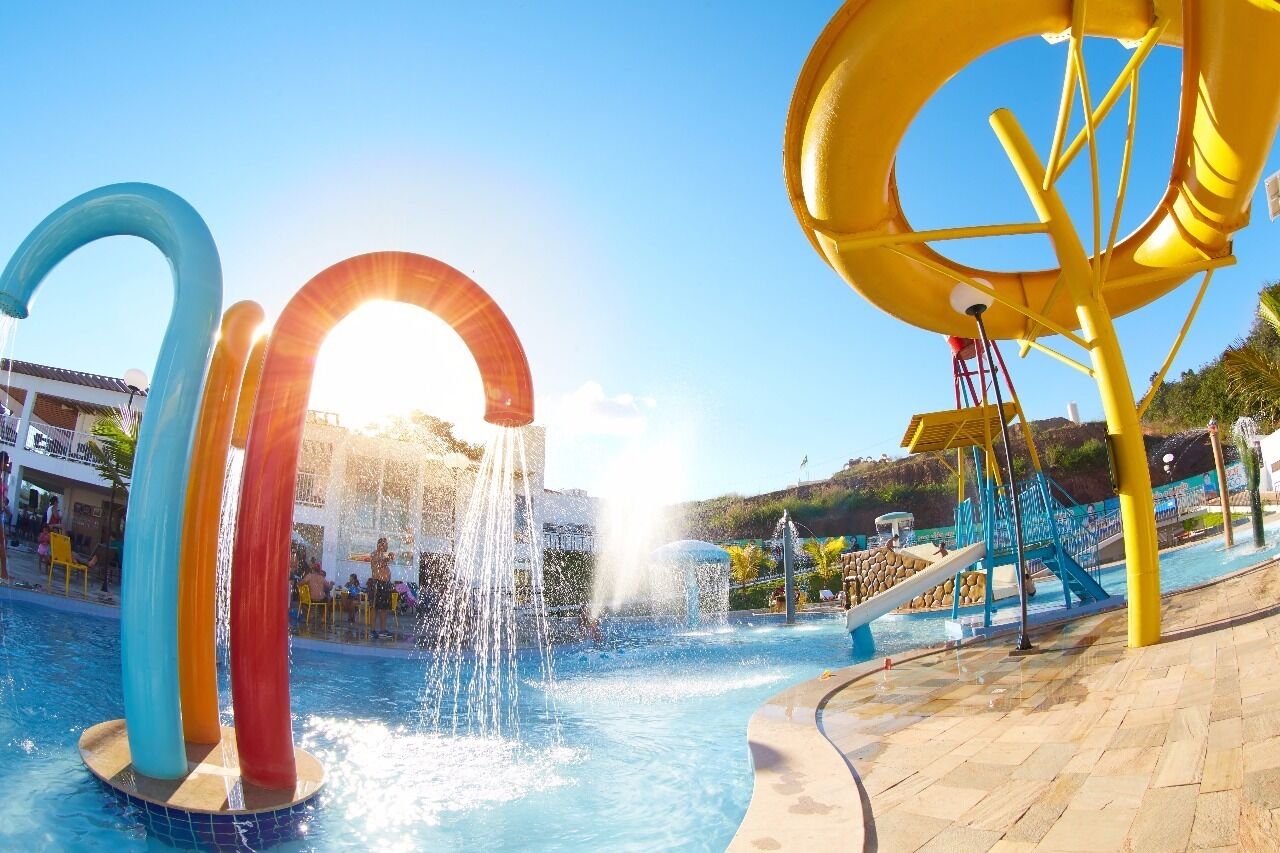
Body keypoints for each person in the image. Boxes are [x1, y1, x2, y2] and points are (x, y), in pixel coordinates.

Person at [368, 537, 395, 639]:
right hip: (377, 584)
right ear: (380, 545)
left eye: (387, 544)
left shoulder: (382, 555)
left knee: (384, 608)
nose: (387, 546)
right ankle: (372, 630)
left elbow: (383, 563)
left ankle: (383, 630)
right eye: (385, 544)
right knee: (374, 607)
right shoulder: (374, 554)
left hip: (385, 584)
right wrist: (388, 558)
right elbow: (379, 564)